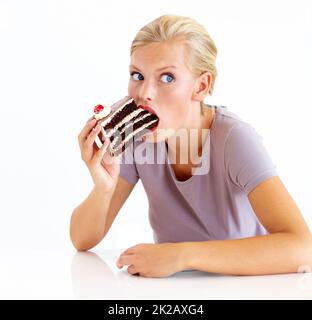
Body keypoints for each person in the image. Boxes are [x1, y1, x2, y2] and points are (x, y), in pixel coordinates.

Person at [70, 14, 312, 278]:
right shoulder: (140, 139)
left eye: (167, 78)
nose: (144, 93)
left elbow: (302, 248)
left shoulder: (234, 140)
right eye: (137, 75)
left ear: (201, 86)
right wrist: (103, 189)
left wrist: (181, 255)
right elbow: (82, 240)